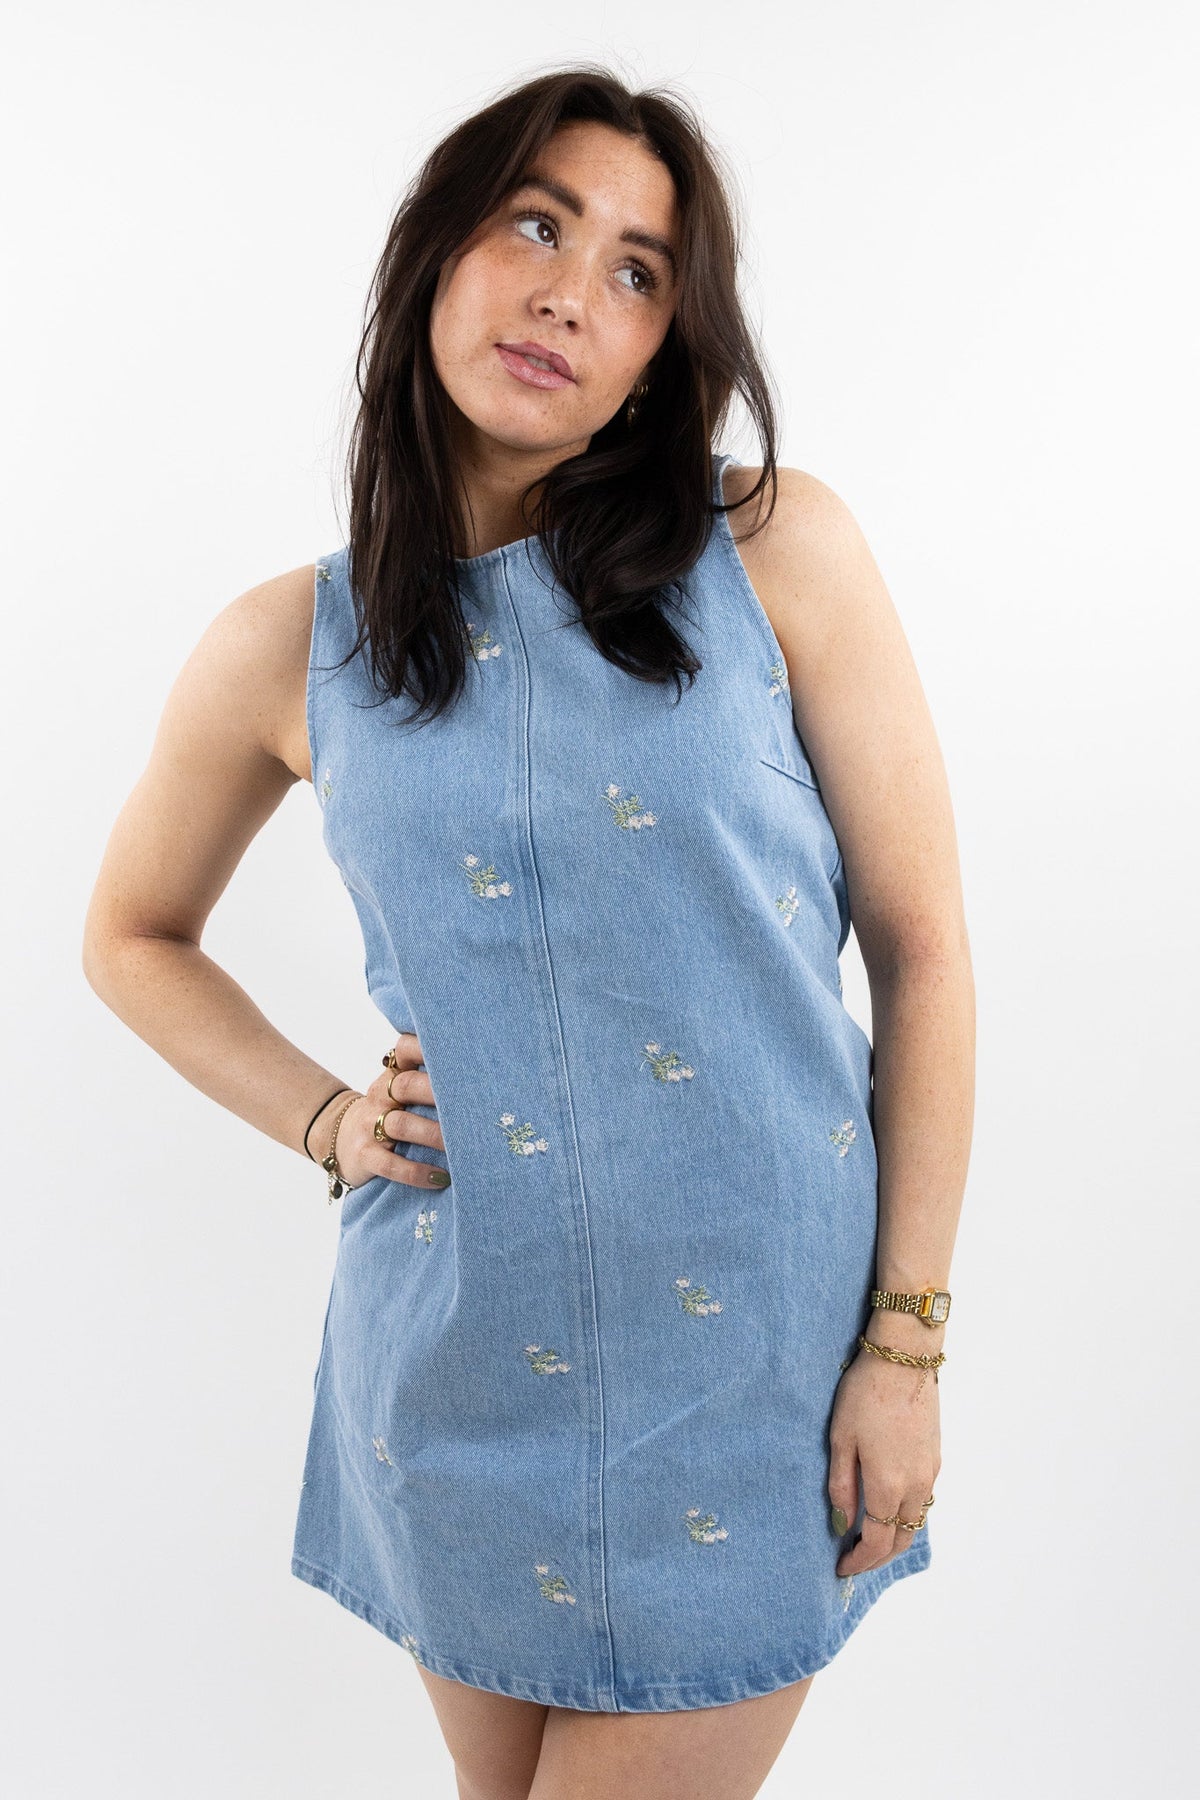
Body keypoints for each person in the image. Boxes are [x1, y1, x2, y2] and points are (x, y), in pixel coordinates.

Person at [82, 64, 974, 1800]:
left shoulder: (772, 551)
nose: (573, 293)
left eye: (638, 271)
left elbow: (923, 950)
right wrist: (327, 1120)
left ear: (660, 354)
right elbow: (132, 933)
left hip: (758, 1369)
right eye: (537, 226)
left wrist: (908, 1344)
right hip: (455, 1364)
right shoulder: (289, 647)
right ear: (436, 254)